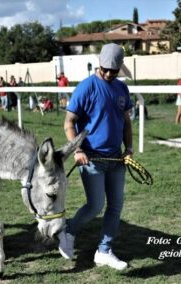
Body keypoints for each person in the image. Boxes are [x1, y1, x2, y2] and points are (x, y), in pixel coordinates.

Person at [59, 43, 133, 270]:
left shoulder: (121, 89)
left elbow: (126, 123)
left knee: (116, 206)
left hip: (116, 159)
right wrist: (77, 150)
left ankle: (104, 251)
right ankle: (68, 232)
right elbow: (68, 123)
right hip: (90, 158)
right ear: (99, 64)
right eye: (106, 69)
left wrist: (129, 148)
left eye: (114, 70)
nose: (109, 73)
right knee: (95, 205)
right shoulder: (86, 87)